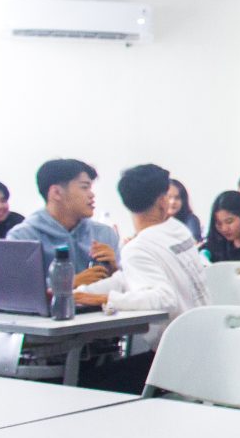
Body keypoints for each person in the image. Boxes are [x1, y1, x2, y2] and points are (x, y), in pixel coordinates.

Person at [73, 164, 209, 392]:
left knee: (83, 384)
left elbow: (164, 299)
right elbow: (128, 278)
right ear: (162, 200)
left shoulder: (139, 247)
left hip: (172, 361)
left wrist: (104, 299)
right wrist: (81, 293)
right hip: (202, 348)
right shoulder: (176, 229)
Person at [7, 159, 120, 286]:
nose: (92, 195)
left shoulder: (104, 234)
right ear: (56, 192)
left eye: (90, 188)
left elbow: (127, 286)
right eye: (84, 187)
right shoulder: (23, 237)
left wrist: (115, 271)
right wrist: (66, 284)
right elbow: (16, 289)